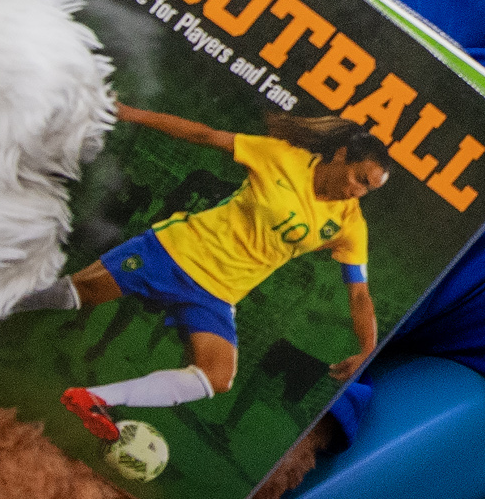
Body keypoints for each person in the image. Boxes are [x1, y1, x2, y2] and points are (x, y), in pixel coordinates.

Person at [36, 105, 388, 444]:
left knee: (217, 376)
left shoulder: (350, 224)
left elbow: (359, 293)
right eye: (360, 178)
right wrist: (129, 113)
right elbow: (204, 135)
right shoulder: (281, 156)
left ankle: (93, 399)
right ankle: (3, 297)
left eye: (369, 189)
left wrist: (367, 349)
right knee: (74, 295)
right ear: (341, 155)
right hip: (176, 251)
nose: (358, 191)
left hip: (217, 293)